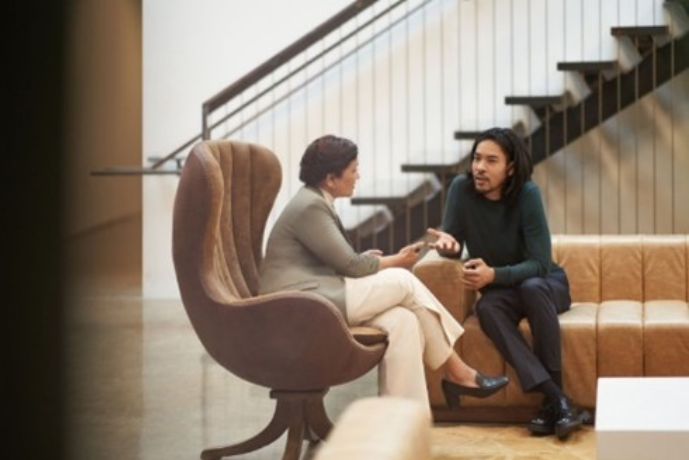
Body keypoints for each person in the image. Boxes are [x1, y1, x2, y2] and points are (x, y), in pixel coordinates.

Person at [259, 134, 509, 416]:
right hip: (300, 306)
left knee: (404, 321)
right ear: (330, 178)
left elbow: (337, 262)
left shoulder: (314, 201)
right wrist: (398, 261)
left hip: (316, 295)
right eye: (353, 170)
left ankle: (403, 424)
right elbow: (352, 267)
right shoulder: (311, 206)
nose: (358, 176)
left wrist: (368, 260)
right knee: (403, 279)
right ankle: (459, 372)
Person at [427, 127, 589, 439]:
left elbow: (540, 264)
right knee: (486, 307)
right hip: (502, 292)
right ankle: (559, 401)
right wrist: (449, 248)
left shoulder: (527, 194)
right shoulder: (461, 189)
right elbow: (457, 243)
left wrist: (494, 275)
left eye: (491, 161)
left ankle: (552, 402)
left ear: (510, 167)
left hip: (546, 284)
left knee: (531, 287)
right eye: (476, 158)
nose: (479, 167)